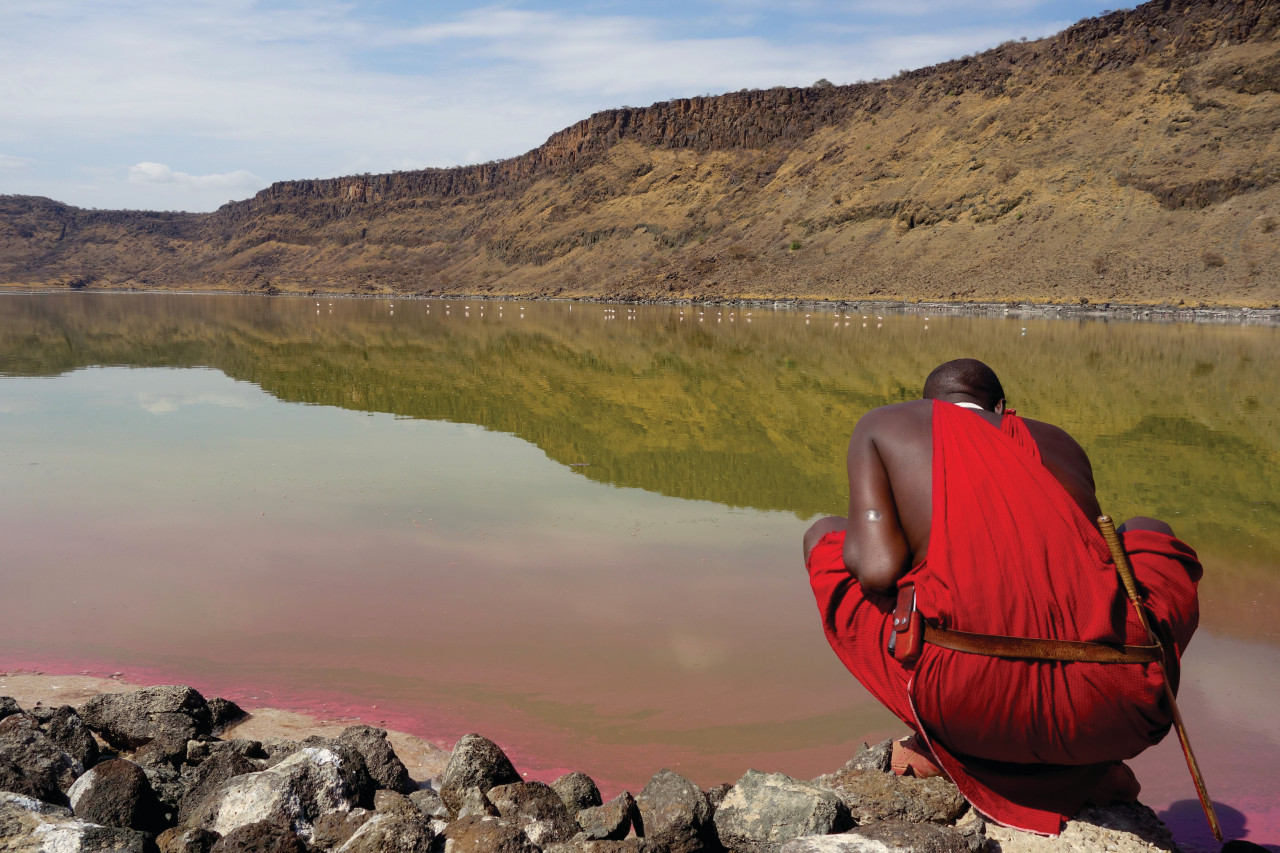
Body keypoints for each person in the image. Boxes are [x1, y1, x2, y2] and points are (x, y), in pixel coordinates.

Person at [802, 358, 1202, 834]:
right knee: (1149, 533)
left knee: (824, 537)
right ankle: (1084, 769)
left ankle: (946, 748)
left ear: (929, 405)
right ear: (1002, 408)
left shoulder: (885, 424)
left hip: (963, 703)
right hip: (1114, 708)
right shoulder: (1059, 441)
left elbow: (876, 571)